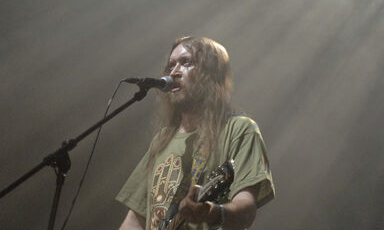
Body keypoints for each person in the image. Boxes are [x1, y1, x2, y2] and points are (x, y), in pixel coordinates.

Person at [116, 36, 275, 229]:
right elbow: (134, 220)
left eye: (186, 63)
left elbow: (247, 210)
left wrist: (211, 212)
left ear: (210, 74)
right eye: (171, 65)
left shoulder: (239, 130)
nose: (174, 72)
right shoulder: (162, 140)